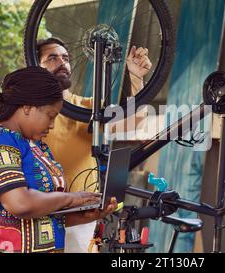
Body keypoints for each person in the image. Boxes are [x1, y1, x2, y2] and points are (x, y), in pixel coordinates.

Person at [0, 66, 117, 253]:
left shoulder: (37, 147)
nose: (52, 125)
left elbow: (47, 216)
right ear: (27, 106)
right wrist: (72, 198)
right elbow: (20, 203)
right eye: (50, 116)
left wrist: (88, 214)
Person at [37, 37, 151, 253]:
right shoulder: (29, 114)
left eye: (66, 58)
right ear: (35, 64)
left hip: (83, 219)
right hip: (41, 218)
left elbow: (134, 122)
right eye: (52, 58)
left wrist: (136, 79)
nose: (62, 62)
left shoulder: (90, 107)